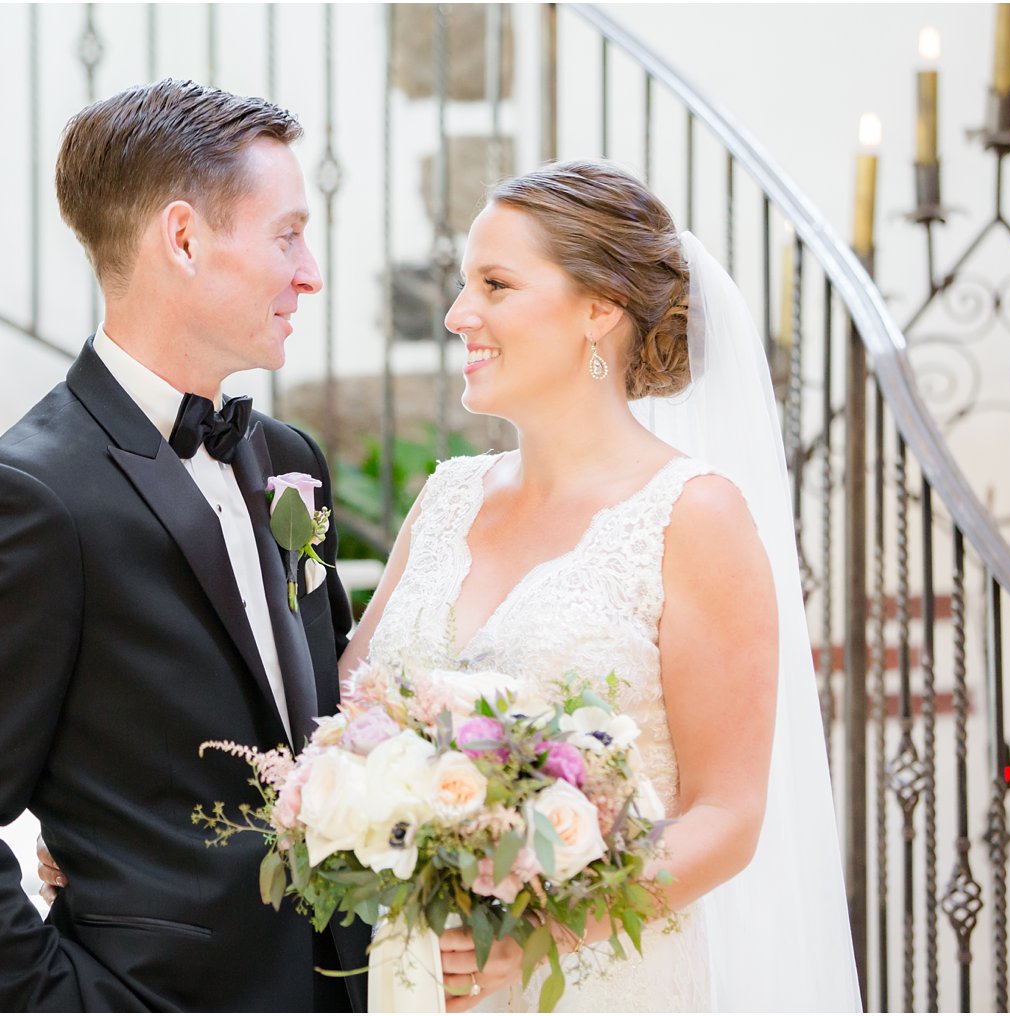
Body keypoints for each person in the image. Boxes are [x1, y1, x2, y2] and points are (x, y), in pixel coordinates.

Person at [0, 79, 368, 1012]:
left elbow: (327, 726)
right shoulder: (29, 499)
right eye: (287, 234)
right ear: (182, 239)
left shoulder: (287, 460)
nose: (309, 273)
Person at [347, 161, 860, 1011]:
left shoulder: (694, 517)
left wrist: (542, 932)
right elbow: (347, 715)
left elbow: (727, 817)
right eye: (463, 285)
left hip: (594, 982)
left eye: (495, 284)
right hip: (416, 974)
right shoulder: (445, 498)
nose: (457, 315)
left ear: (599, 308)